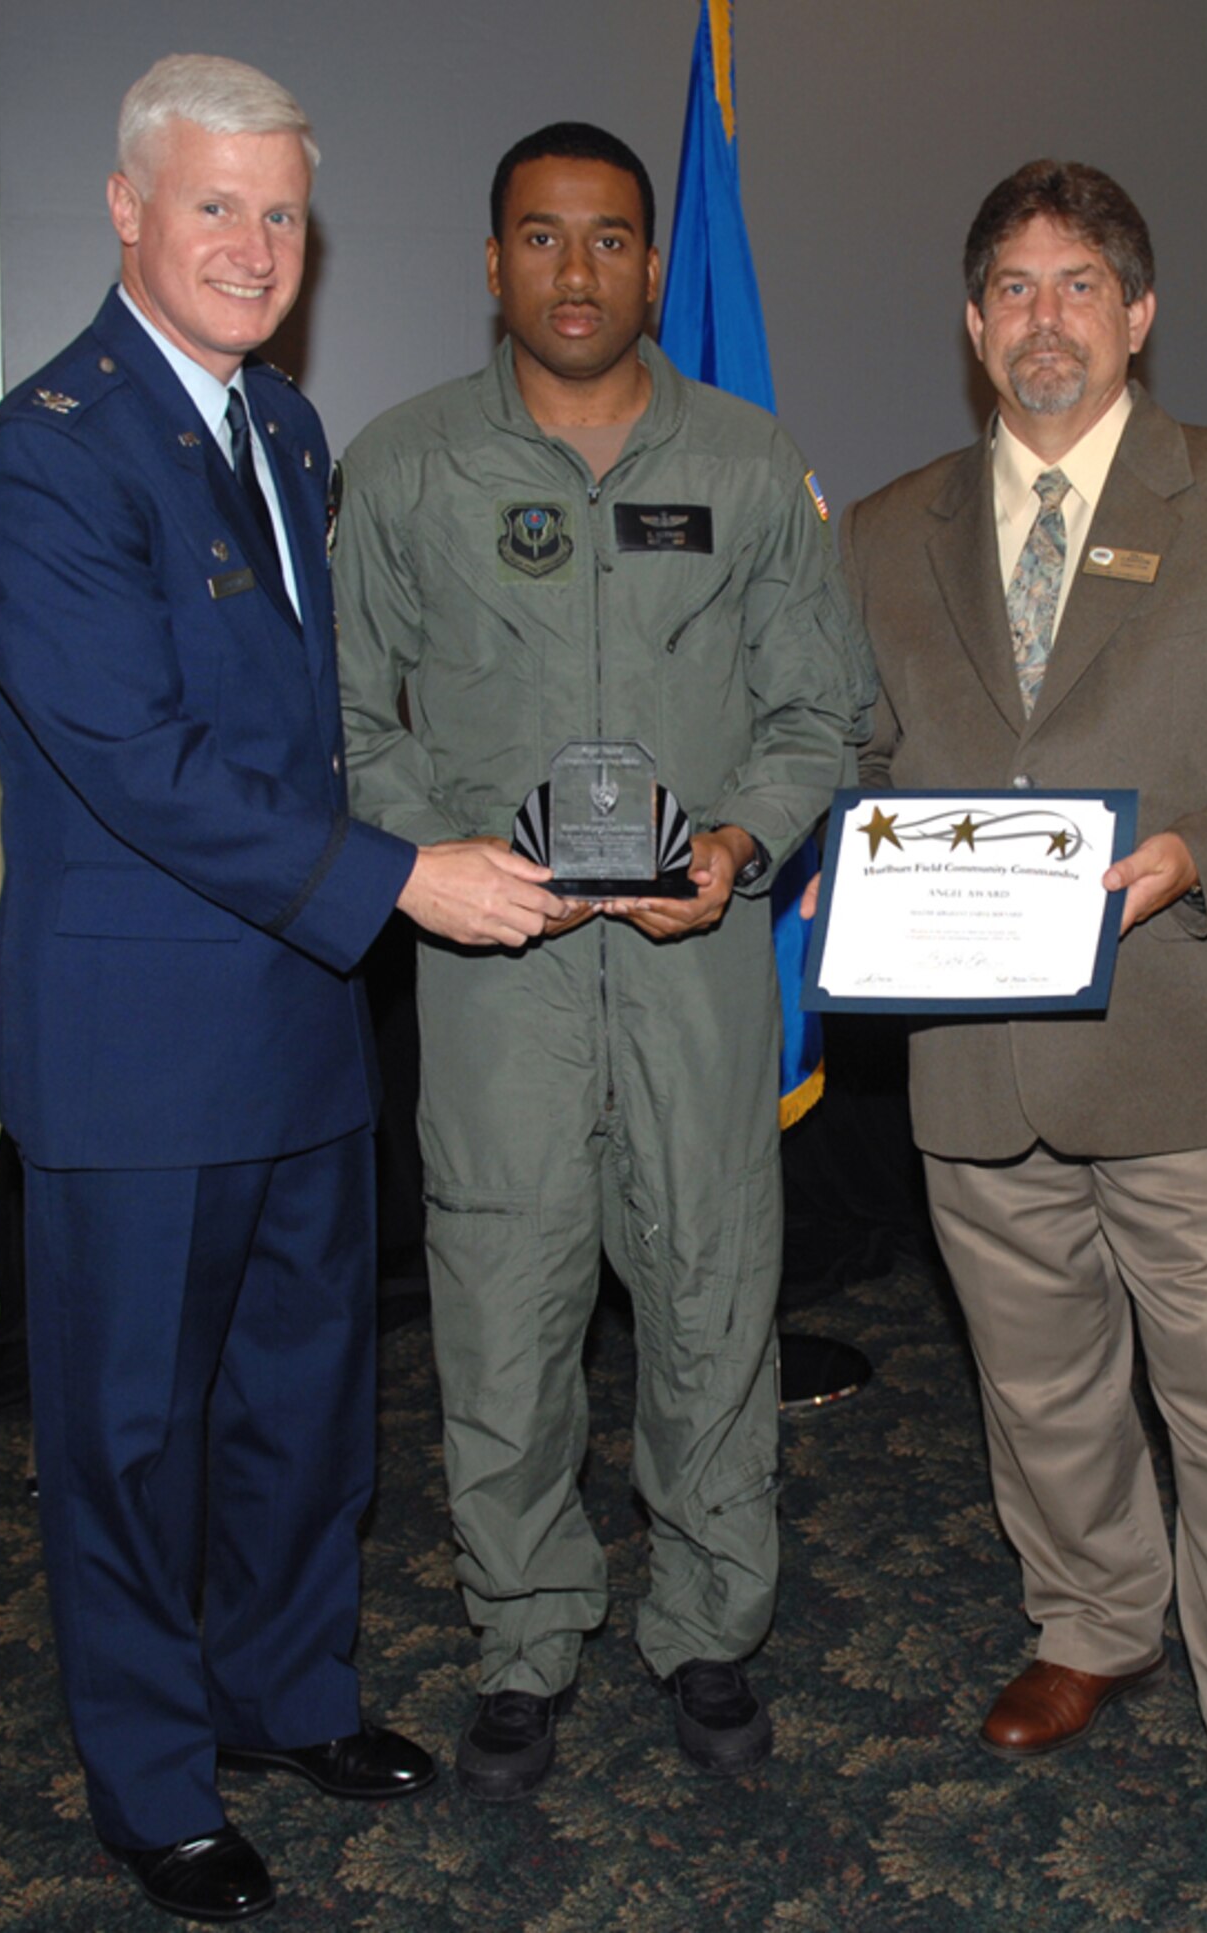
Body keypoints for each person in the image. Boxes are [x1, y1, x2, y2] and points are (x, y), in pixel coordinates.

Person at [0, 54, 566, 1925]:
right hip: (139, 1047)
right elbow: (136, 761)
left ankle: (287, 1694)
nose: (251, 244)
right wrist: (402, 881)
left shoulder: (286, 432)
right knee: (127, 1435)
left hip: (303, 1017)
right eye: (212, 204)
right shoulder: (51, 451)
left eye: (280, 213)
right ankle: (153, 1784)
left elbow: (317, 729)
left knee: (305, 1404)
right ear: (128, 210)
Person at [837, 160, 1207, 1889]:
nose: (1043, 318)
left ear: (1138, 315)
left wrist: (1191, 859)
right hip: (975, 1049)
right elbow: (858, 757)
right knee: (1043, 1385)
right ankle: (1092, 1623)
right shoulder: (886, 524)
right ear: (972, 320)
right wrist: (843, 861)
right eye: (1011, 286)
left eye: (1080, 286)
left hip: (1190, 1040)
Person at [331, 122, 872, 1798]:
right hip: (499, 974)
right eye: (544, 239)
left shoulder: (748, 459)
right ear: (493, 265)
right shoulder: (407, 466)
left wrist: (741, 844)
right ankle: (526, 1636)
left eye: (614, 240)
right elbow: (345, 729)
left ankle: (710, 1627)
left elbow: (824, 713)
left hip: (698, 968)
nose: (581, 271)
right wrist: (448, 865)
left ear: (653, 262)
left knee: (714, 1294)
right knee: (502, 1309)